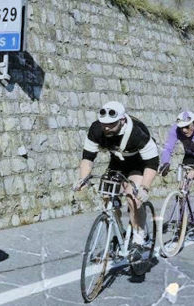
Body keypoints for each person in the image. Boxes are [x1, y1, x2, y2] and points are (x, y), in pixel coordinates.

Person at [74, 101, 159, 261]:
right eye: (104, 124)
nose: (106, 128)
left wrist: (145, 188)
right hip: (118, 163)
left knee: (132, 197)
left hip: (139, 164)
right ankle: (118, 231)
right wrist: (82, 179)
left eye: (111, 125)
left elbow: (152, 164)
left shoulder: (137, 133)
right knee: (107, 198)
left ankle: (139, 236)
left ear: (122, 121)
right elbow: (88, 157)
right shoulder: (96, 129)